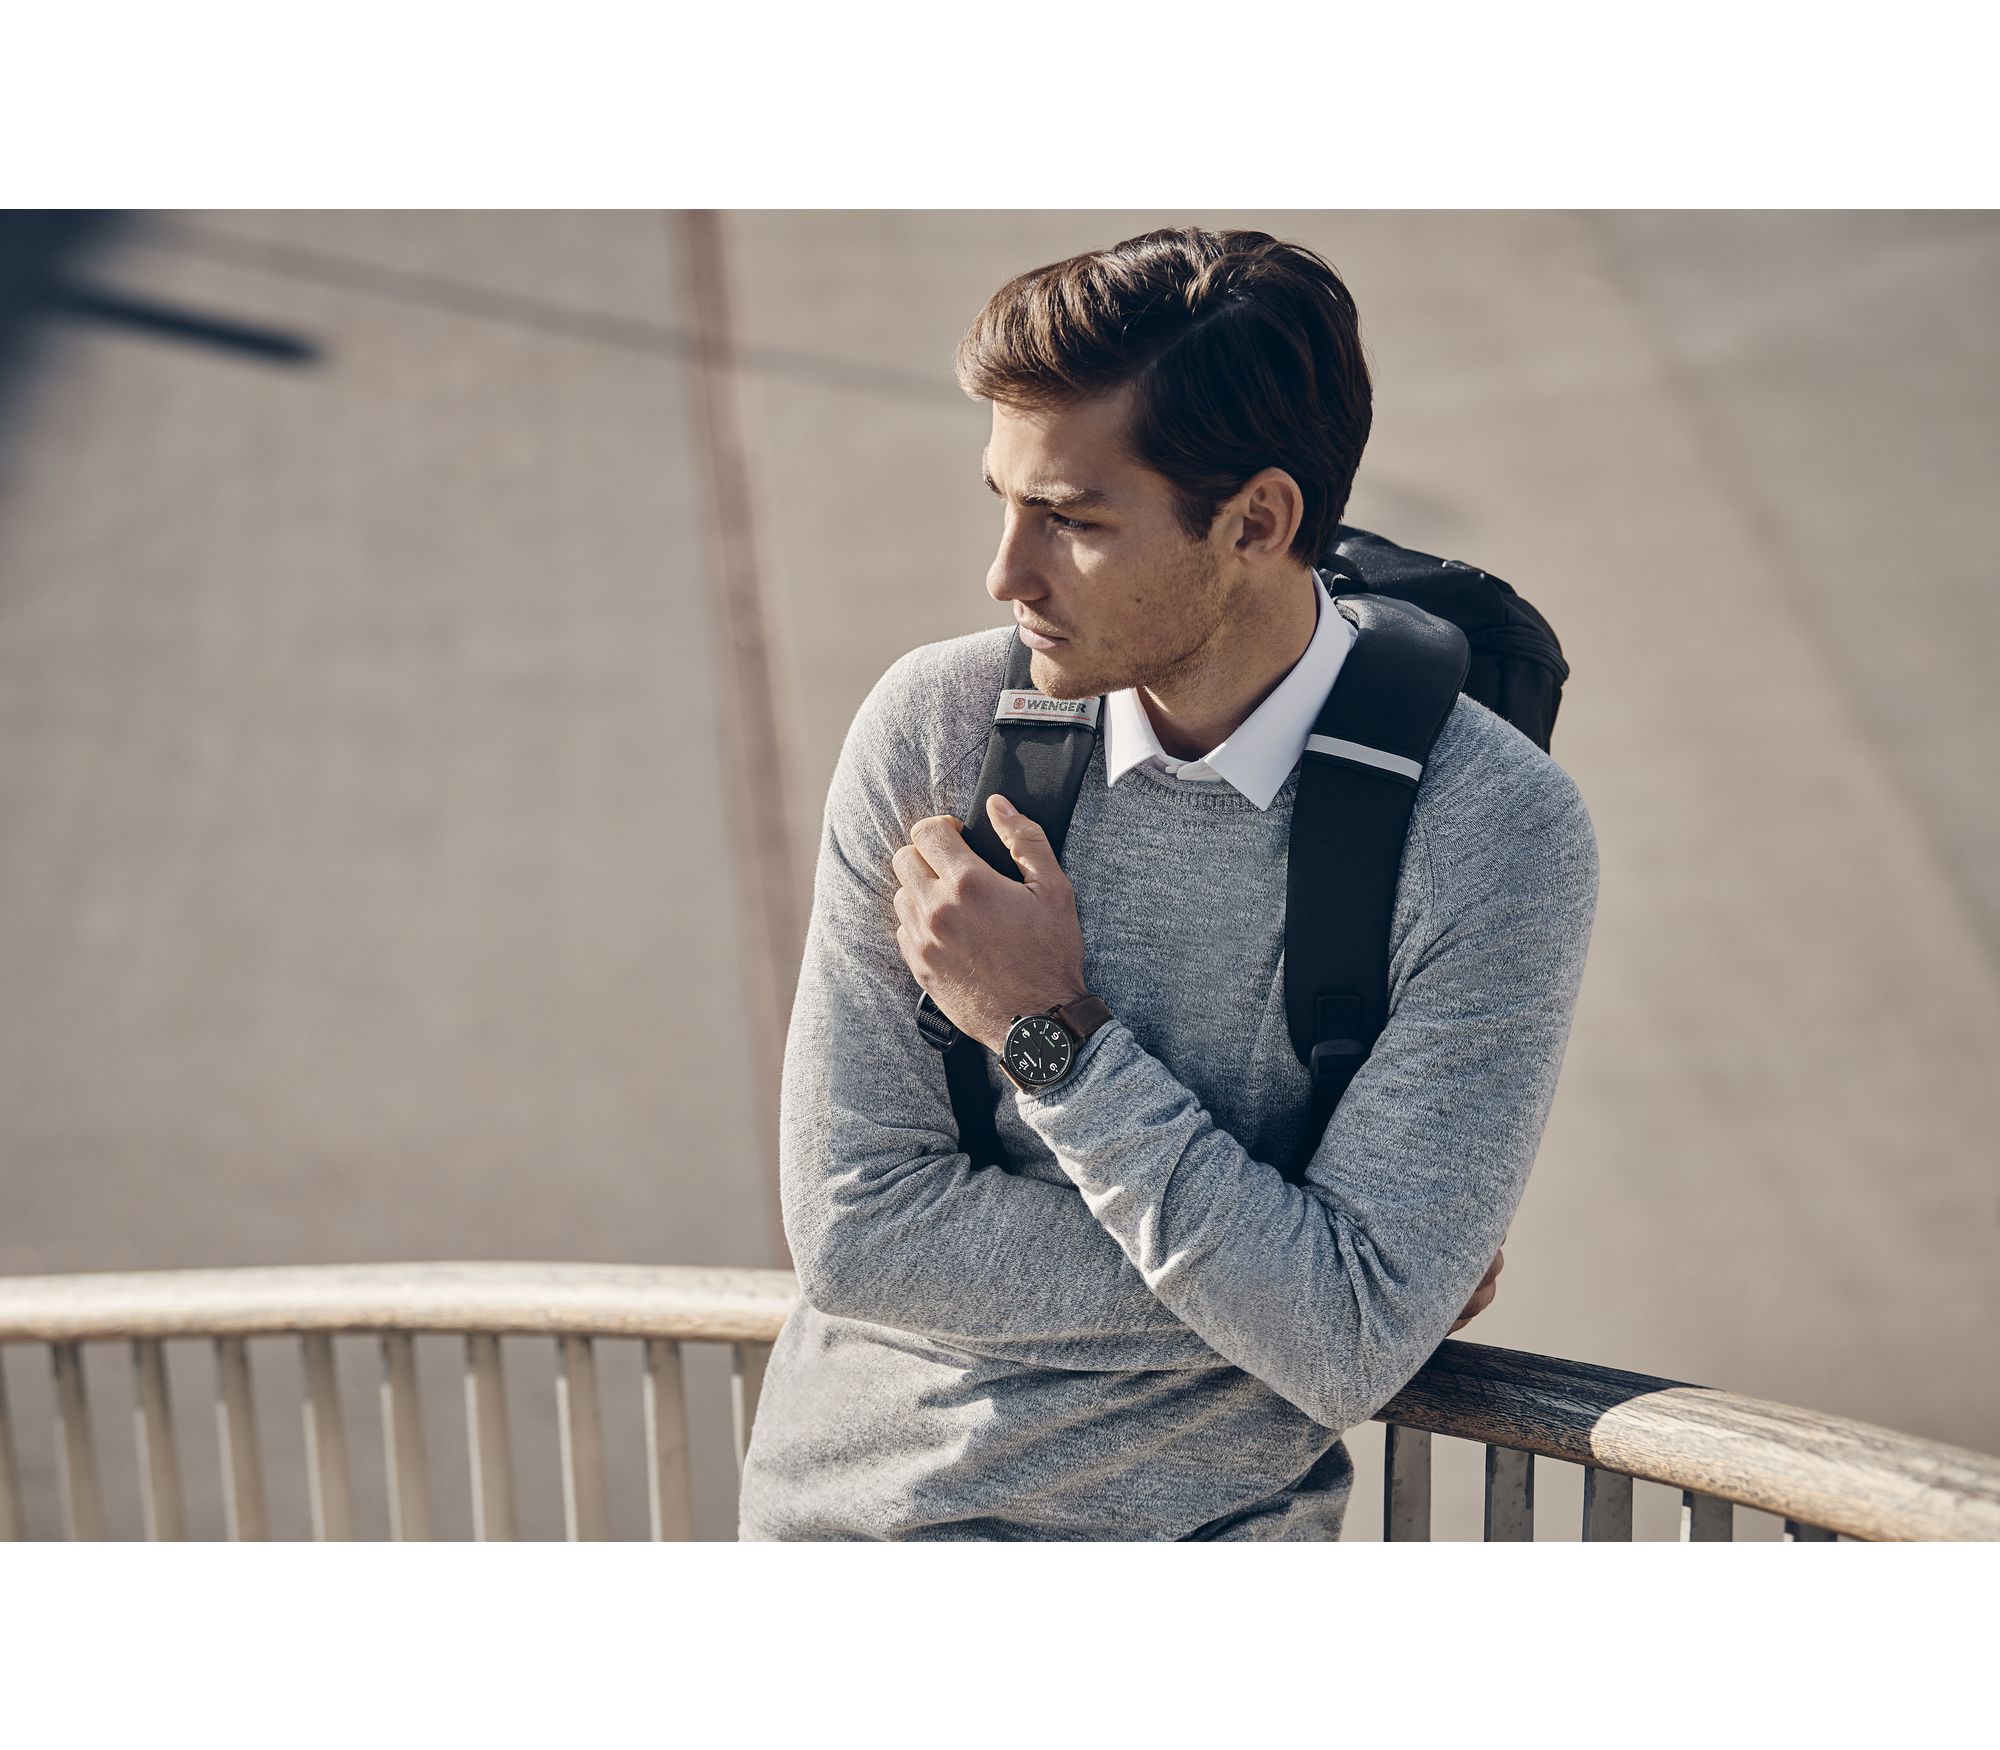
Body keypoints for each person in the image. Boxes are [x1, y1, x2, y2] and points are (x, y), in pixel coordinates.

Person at [735, 227, 1598, 1540]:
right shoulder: (935, 730)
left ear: (1258, 521)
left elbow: (1348, 1332)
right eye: (1003, 500)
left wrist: (1052, 1034)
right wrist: (1307, 1291)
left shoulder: (1492, 832)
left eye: (1072, 521)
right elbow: (861, 1229)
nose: (1005, 573)